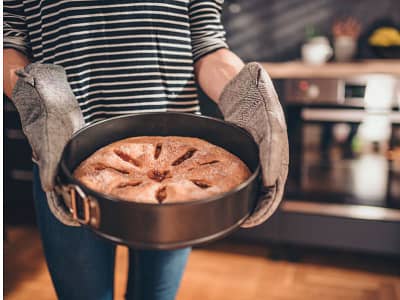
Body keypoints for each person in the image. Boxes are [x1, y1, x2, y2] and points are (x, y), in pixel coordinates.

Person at [4, 1, 288, 299]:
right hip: (62, 155)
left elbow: (207, 44)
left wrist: (247, 98)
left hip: (183, 171)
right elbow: (8, 40)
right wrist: (36, 97)